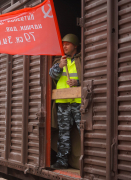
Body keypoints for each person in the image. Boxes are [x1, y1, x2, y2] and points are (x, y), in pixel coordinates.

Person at [49, 34, 82, 169]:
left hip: (78, 102)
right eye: (63, 44)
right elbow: (52, 75)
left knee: (83, 132)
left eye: (67, 44)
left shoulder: (81, 60)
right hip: (63, 103)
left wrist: (77, 82)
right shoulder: (60, 61)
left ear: (75, 45)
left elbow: (89, 76)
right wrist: (60, 66)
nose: (64, 46)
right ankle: (62, 161)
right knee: (64, 134)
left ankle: (88, 160)